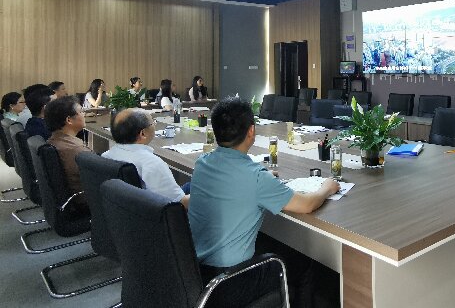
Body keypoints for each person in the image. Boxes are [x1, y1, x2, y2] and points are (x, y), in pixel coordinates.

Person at [189, 97, 340, 307]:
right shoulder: (255, 177)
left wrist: (264, 178)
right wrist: (327, 187)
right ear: (251, 131)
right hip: (231, 281)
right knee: (306, 265)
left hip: (197, 271)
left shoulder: (202, 163)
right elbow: (306, 205)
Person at [103, 109, 189, 209]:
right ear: (142, 134)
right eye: (153, 123)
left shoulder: (106, 156)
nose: (154, 125)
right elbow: (178, 205)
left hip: (122, 211)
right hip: (157, 213)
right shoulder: (152, 164)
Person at [44, 96, 93, 210]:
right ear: (69, 120)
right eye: (81, 112)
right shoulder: (76, 149)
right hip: (86, 201)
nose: (84, 115)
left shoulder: (53, 140)